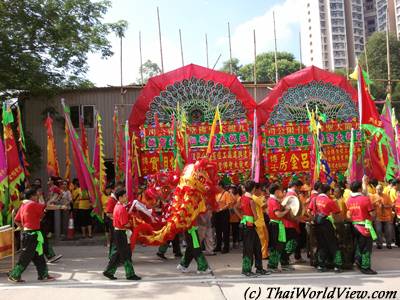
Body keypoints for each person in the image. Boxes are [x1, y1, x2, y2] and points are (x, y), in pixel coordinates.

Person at [8, 188, 55, 283]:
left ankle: (43, 275)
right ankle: (14, 275)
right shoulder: (32, 204)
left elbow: (17, 220)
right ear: (32, 196)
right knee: (26, 257)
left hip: (30, 234)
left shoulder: (24, 205)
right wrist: (61, 206)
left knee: (38, 255)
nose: (37, 197)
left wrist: (23, 227)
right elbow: (46, 207)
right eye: (36, 195)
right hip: (31, 235)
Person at [103, 188, 141, 280]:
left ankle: (108, 272)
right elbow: (125, 223)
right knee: (126, 254)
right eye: (125, 196)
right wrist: (133, 223)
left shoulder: (117, 206)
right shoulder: (121, 208)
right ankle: (130, 274)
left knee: (118, 254)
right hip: (121, 232)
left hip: (118, 232)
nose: (127, 197)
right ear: (120, 197)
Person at [309, 183, 342, 273]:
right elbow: (337, 215)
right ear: (328, 191)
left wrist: (312, 220)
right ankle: (337, 265)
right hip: (327, 224)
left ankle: (321, 265)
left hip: (317, 224)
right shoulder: (330, 201)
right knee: (333, 244)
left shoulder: (314, 199)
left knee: (321, 244)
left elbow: (309, 211)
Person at [346, 181, 377, 275]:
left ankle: (358, 262)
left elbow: (348, 215)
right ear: (359, 189)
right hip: (365, 226)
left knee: (359, 245)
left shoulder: (349, 200)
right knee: (366, 248)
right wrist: (374, 216)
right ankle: (365, 267)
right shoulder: (365, 199)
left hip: (354, 226)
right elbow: (372, 214)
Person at [240, 180, 270, 276]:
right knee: (250, 248)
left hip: (246, 224)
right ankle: (246, 269)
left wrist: (244, 217)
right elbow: (255, 216)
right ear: (253, 189)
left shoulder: (243, 197)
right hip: (250, 225)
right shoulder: (251, 200)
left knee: (256, 246)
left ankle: (259, 268)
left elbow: (238, 208)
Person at [267, 183, 290, 272]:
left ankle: (274, 265)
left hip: (275, 224)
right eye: (280, 190)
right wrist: (287, 210)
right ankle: (272, 266)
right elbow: (278, 214)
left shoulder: (271, 199)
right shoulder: (274, 201)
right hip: (276, 225)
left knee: (277, 245)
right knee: (277, 246)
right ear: (276, 191)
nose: (281, 192)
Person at [281, 180, 303, 271]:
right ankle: (284, 261)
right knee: (292, 243)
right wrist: (297, 219)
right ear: (295, 186)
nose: (299, 189)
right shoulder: (292, 195)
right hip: (290, 223)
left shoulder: (289, 194)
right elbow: (291, 210)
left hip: (289, 222)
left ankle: (285, 260)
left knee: (290, 243)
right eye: (299, 187)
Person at [372, 185, 394, 249]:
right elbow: (370, 206)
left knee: (388, 231)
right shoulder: (373, 196)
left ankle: (389, 244)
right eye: (377, 189)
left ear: (382, 190)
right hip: (378, 217)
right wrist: (376, 202)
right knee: (378, 230)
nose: (378, 191)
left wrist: (385, 206)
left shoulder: (386, 196)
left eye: (379, 189)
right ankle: (379, 244)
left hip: (387, 216)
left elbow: (391, 205)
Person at [214, 184, 233, 253]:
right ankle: (218, 246)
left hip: (224, 213)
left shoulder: (226, 193)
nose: (216, 187)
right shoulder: (216, 194)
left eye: (217, 186)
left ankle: (226, 247)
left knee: (225, 231)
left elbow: (228, 204)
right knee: (218, 230)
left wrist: (221, 209)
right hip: (216, 213)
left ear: (220, 186)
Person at [252, 183, 269, 259]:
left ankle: (264, 254)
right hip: (259, 221)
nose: (261, 191)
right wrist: (266, 199)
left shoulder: (255, 197)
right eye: (260, 190)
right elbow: (264, 205)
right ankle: (263, 255)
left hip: (260, 221)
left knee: (264, 239)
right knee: (263, 239)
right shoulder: (256, 198)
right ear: (256, 189)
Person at [229, 185, 242, 249]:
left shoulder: (239, 197)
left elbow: (238, 206)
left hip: (236, 217)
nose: (230, 190)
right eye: (230, 189)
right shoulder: (229, 196)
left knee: (235, 230)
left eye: (232, 189)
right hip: (229, 216)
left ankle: (236, 242)